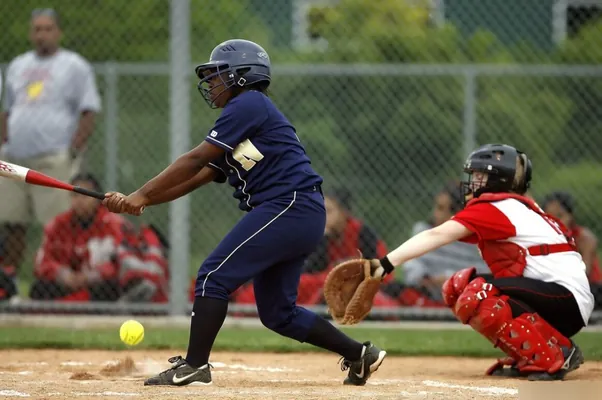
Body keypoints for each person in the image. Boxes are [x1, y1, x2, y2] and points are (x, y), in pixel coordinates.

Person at [102, 39, 386, 387]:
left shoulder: (248, 103)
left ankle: (194, 365)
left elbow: (195, 158)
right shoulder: (245, 117)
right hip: (299, 212)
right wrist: (141, 201)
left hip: (289, 206)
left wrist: (141, 192)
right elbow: (199, 177)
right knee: (278, 314)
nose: (211, 83)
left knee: (212, 276)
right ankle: (360, 354)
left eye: (218, 75)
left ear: (242, 75)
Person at [366, 144, 593, 381]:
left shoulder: (498, 207)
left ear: (497, 180)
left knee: (476, 292)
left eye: (479, 175)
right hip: (562, 299)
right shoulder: (515, 206)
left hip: (565, 300)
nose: (472, 181)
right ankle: (532, 354)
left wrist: (384, 264)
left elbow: (437, 235)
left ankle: (557, 353)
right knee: (458, 287)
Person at [0, 8, 102, 291]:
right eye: (37, 29)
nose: (41, 34)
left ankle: (49, 290)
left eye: (47, 28)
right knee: (11, 225)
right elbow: (7, 110)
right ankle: (9, 288)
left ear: (58, 32)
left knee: (55, 228)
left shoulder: (74, 66)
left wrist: (72, 151)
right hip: (13, 159)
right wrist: (4, 143)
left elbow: (89, 111)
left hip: (53, 159)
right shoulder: (18, 65)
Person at [31, 174, 168, 303]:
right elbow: (42, 261)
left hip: (99, 285)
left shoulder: (113, 224)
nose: (79, 201)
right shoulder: (58, 224)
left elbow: (124, 262)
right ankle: (68, 306)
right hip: (68, 281)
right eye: (74, 196)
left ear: (97, 199)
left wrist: (90, 276)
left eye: (85, 196)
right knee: (39, 288)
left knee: (109, 288)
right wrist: (63, 274)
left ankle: (79, 306)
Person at [402, 180, 489, 303]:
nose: (435, 214)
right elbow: (411, 265)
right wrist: (425, 278)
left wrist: (450, 278)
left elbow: (485, 274)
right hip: (426, 297)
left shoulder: (475, 241)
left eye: (441, 209)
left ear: (457, 212)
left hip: (466, 299)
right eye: (436, 207)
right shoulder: (423, 231)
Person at [541, 191, 602, 284]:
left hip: (590, 288)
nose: (555, 221)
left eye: (560, 216)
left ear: (571, 216)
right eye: (549, 217)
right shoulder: (543, 238)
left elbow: (584, 274)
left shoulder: (582, 237)